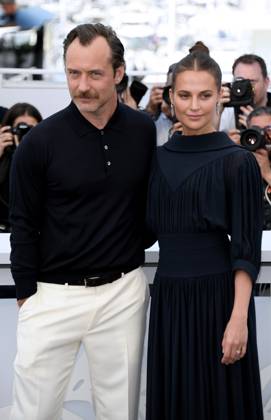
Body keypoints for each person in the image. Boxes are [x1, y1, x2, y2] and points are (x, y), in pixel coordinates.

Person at [9, 23, 156, 420]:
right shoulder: (40, 142)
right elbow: (21, 222)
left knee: (120, 411)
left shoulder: (143, 132)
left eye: (95, 74)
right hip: (51, 295)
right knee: (33, 412)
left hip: (122, 293)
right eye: (74, 73)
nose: (82, 86)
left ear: (119, 73)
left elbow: (149, 202)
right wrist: (28, 296)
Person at [146, 51, 264, 419]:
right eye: (184, 95)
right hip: (169, 300)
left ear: (220, 96)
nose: (194, 106)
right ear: (170, 97)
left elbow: (246, 248)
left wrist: (238, 318)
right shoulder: (156, 159)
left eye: (204, 95)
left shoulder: (238, 161)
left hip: (220, 302)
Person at [0, 102, 42, 231]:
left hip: (31, 230)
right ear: (8, 130)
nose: (26, 135)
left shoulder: (45, 158)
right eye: (21, 129)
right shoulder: (3, 159)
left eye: (31, 129)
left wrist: (23, 154)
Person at [219, 54, 271, 139]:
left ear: (266, 82)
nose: (246, 87)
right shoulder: (227, 108)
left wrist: (256, 128)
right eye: (240, 81)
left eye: (251, 82)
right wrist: (215, 114)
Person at [246, 106, 271, 230]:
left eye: (269, 129)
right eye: (256, 130)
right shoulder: (236, 164)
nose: (263, 135)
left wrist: (268, 173)